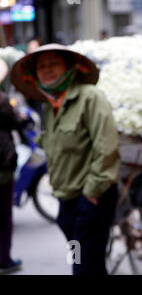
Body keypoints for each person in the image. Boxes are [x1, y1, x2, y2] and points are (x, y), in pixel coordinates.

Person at [11, 44, 120, 275]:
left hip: (92, 198)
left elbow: (106, 148)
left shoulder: (90, 97)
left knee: (84, 267)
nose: (47, 70)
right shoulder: (51, 105)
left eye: (53, 64)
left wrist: (91, 194)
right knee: (83, 261)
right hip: (66, 199)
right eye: (41, 66)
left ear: (69, 67)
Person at [0, 58, 22, 274]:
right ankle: (4, 259)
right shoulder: (2, 101)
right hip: (3, 165)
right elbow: (15, 122)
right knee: (4, 216)